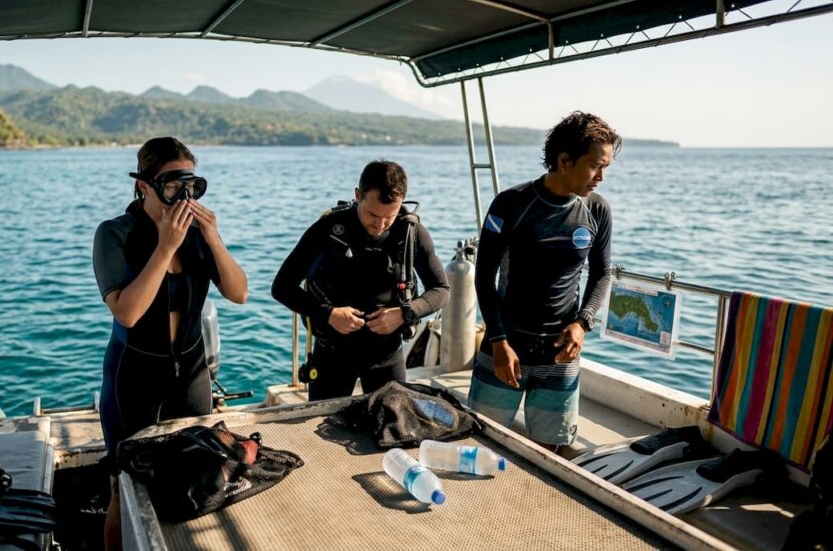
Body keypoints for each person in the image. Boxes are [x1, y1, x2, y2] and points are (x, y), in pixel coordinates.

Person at [92, 136, 248, 550]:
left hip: (192, 375)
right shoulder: (115, 234)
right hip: (134, 381)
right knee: (124, 491)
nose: (184, 196)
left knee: (199, 475)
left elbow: (239, 292)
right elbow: (126, 312)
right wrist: (165, 247)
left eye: (192, 185)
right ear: (144, 185)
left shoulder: (197, 235)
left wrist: (213, 238)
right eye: (173, 185)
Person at [468, 111, 621, 450]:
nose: (601, 177)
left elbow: (602, 273)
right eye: (596, 166)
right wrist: (498, 341)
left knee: (549, 452)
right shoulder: (511, 204)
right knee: (478, 443)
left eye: (606, 167)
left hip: (560, 355)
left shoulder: (597, 210)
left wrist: (582, 322)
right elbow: (483, 277)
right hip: (505, 348)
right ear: (565, 160)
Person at [272, 160, 449, 401]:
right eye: (373, 214)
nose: (380, 224)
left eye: (390, 216)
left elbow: (441, 289)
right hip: (332, 354)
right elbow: (282, 287)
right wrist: (328, 314)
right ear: (358, 195)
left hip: (387, 355)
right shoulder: (328, 230)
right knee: (323, 430)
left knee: (392, 427)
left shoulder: (411, 233)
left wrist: (404, 313)